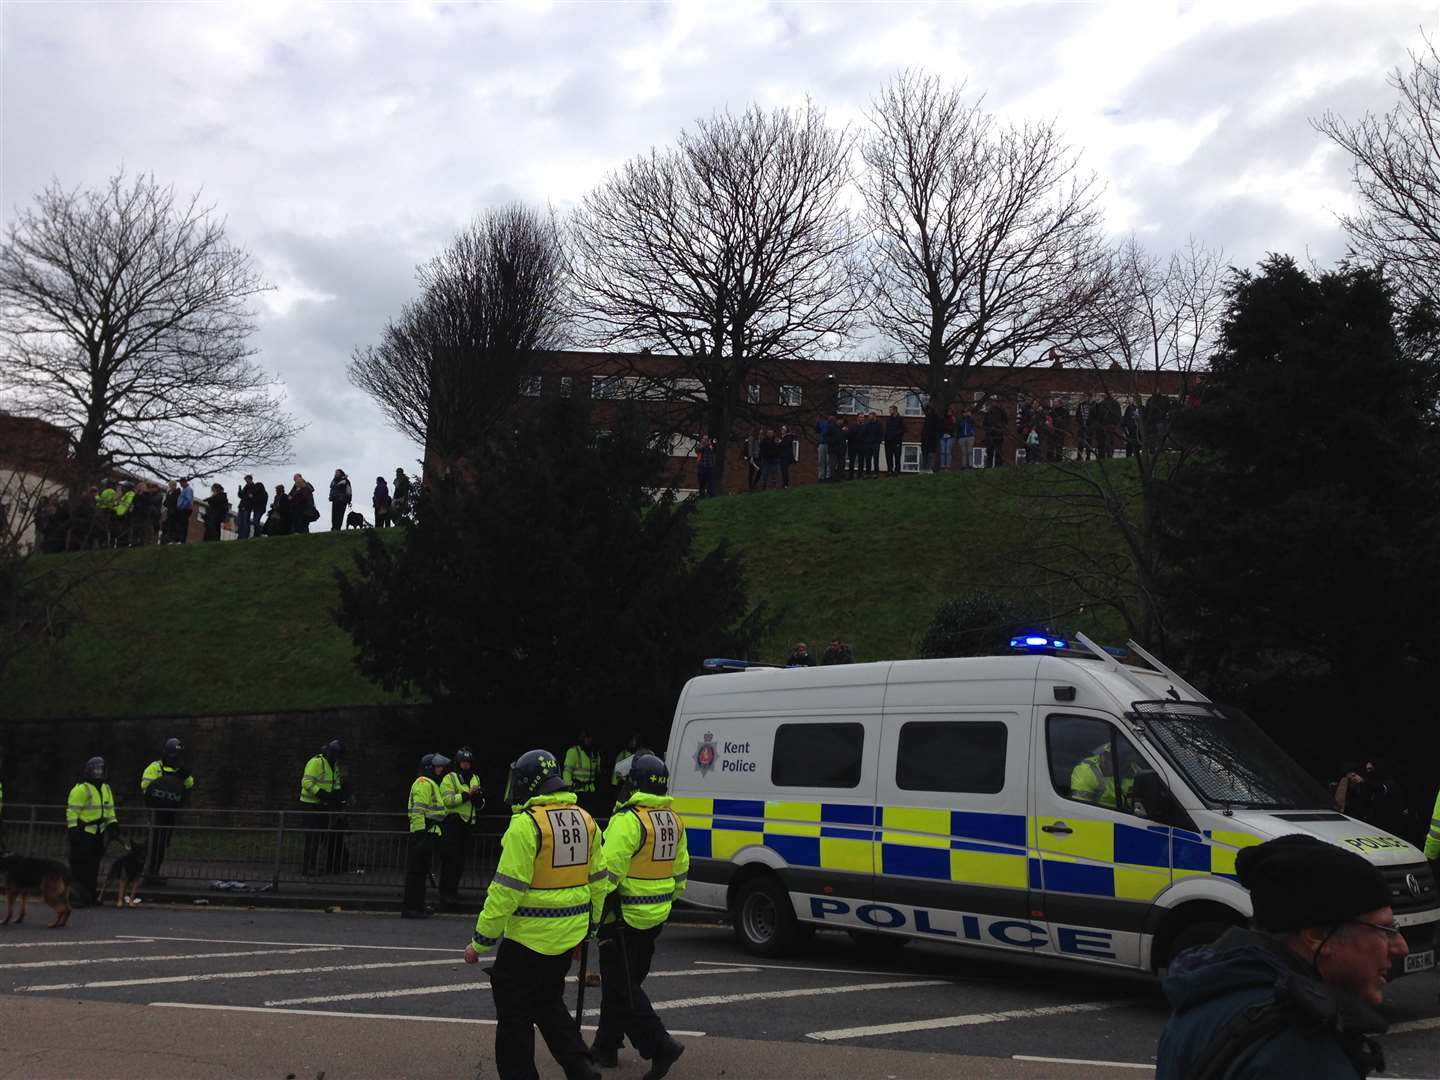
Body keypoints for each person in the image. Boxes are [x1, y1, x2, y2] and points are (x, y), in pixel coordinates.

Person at [1156, 834, 1403, 1078]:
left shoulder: (1208, 993)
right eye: (1385, 930)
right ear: (1316, 936)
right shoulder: (1302, 1055)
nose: (1401, 947)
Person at [463, 749, 604, 1080]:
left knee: (514, 1018)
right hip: (567, 936)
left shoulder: (526, 825)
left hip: (528, 940)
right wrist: (589, 932)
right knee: (548, 1004)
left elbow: (505, 892)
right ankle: (582, 1069)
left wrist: (480, 942)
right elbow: (599, 882)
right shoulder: (586, 820)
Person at [590, 753, 689, 1078]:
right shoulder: (673, 819)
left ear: (633, 784)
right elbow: (681, 869)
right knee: (622, 984)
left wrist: (593, 915)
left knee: (623, 988)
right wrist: (666, 902)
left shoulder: (628, 820)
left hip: (621, 918)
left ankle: (660, 1046)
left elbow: (608, 873)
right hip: (655, 917)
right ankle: (605, 1047)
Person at [403, 753, 452, 918]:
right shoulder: (424, 783)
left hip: (427, 833)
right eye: (438, 766)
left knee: (420, 873)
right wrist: (420, 833)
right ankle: (411, 909)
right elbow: (418, 810)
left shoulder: (431, 783)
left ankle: (418, 906)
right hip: (423, 833)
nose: (441, 769)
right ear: (429, 768)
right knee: (415, 874)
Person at [140, 737, 195, 879]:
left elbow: (189, 785)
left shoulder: (180, 770)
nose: (174, 757)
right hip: (154, 812)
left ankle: (153, 872)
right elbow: (146, 787)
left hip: (169, 813)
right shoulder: (155, 767)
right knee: (151, 843)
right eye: (172, 754)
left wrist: (184, 775)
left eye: (177, 755)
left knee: (162, 844)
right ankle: (143, 871)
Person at [66, 756, 117, 906]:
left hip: (97, 834)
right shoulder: (81, 789)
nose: (99, 772)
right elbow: (72, 811)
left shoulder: (106, 788)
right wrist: (73, 830)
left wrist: (113, 824)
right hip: (83, 833)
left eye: (101, 769)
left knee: (93, 867)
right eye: (96, 769)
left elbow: (109, 810)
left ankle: (90, 895)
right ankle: (76, 897)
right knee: (80, 867)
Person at [439, 746, 485, 906]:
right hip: (453, 822)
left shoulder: (476, 778)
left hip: (468, 824)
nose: (466, 765)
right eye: (463, 762)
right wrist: (467, 795)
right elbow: (448, 801)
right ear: (458, 763)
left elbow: (480, 804)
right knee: (450, 860)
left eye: (468, 762)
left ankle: (453, 891)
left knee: (460, 862)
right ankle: (445, 893)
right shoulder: (449, 778)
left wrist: (478, 798)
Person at [299, 739, 345, 875]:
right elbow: (306, 782)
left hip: (323, 805)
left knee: (321, 836)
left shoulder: (333, 765)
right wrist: (322, 794)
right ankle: (308, 868)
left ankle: (317, 866)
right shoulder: (316, 762)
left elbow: (335, 783)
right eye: (337, 755)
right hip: (310, 805)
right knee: (313, 837)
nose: (338, 758)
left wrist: (337, 798)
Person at [564, 730, 604, 819]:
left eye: (590, 738)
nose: (589, 740)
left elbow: (598, 772)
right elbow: (567, 771)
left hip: (591, 792)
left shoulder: (595, 753)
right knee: (578, 817)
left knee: (591, 817)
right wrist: (569, 786)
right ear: (582, 739)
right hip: (577, 791)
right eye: (587, 737)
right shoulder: (573, 752)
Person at [984, 403, 1007, 467]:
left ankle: (995, 465)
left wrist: (997, 429)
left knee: (996, 452)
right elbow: (984, 425)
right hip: (993, 436)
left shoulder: (997, 413)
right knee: (993, 452)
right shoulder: (988, 414)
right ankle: (993, 465)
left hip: (996, 436)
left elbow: (1005, 423)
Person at [884, 405, 903, 476]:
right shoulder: (889, 419)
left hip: (896, 441)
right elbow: (887, 429)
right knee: (889, 457)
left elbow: (903, 429)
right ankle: (890, 470)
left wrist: (895, 434)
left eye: (890, 410)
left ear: (895, 410)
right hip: (888, 442)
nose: (889, 411)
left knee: (897, 457)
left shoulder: (900, 419)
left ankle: (897, 471)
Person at [920, 405, 940, 473]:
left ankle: (929, 469)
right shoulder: (928, 418)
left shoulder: (934, 418)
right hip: (926, 440)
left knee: (929, 455)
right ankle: (924, 469)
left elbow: (935, 429)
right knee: (925, 455)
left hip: (930, 440)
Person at [175, 478, 194, 543]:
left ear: (184, 482)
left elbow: (188, 500)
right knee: (181, 524)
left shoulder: (188, 490)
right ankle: (179, 539)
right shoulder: (185, 489)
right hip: (183, 509)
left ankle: (181, 540)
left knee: (182, 525)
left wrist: (181, 506)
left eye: (181, 483)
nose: (180, 484)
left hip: (185, 510)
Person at [237, 476, 255, 540]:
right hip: (241, 506)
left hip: (247, 507)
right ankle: (240, 536)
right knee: (240, 522)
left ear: (250, 479)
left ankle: (245, 536)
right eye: (245, 479)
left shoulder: (253, 487)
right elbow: (241, 496)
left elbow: (250, 498)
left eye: (246, 479)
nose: (246, 480)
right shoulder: (246, 487)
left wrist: (246, 506)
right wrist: (239, 490)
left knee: (245, 522)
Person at [815, 416, 832, 482]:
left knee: (828, 461)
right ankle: (821, 477)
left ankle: (827, 476)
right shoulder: (820, 422)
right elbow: (817, 431)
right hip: (822, 443)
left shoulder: (830, 423)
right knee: (821, 461)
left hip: (828, 444)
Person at [940, 405, 957, 469]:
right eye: (948, 411)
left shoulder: (953, 418)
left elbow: (954, 427)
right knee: (942, 452)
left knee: (948, 451)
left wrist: (948, 428)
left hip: (950, 436)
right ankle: (942, 465)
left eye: (950, 411)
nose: (949, 412)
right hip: (943, 436)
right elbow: (941, 427)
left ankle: (948, 466)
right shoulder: (943, 418)